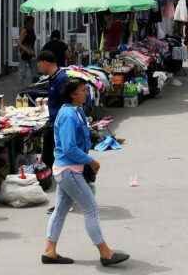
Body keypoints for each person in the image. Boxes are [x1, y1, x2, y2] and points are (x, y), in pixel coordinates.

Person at [42, 78, 130, 267]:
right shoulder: (68, 115)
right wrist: (91, 161)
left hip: (67, 169)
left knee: (60, 210)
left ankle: (49, 251)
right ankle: (105, 253)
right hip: (68, 170)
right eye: (83, 90)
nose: (86, 93)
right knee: (90, 209)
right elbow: (69, 148)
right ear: (73, 94)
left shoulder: (77, 111)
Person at [38, 50, 68, 214]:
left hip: (60, 127)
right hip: (53, 125)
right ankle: (63, 201)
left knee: (60, 165)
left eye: (39, 63)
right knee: (51, 162)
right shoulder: (53, 78)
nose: (38, 66)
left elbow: (66, 104)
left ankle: (63, 202)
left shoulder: (61, 79)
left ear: (46, 63)